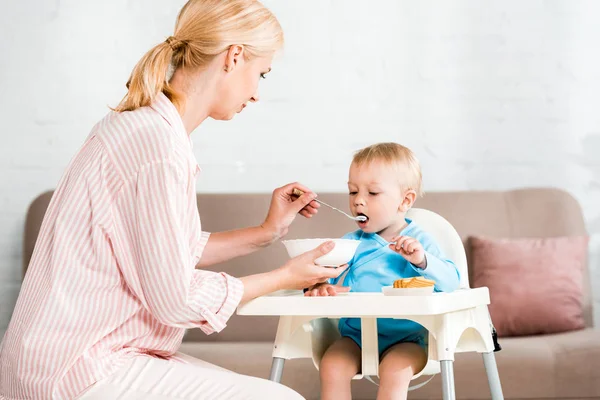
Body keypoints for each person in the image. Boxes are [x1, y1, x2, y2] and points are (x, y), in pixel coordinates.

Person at [0, 1, 347, 399]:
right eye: (261, 74)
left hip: (64, 360)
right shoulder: (156, 147)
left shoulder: (147, 129)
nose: (256, 95)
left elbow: (168, 252)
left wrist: (267, 233)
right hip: (77, 369)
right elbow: (175, 297)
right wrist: (284, 278)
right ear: (234, 57)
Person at [305, 142, 460, 400]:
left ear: (405, 200)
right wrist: (319, 286)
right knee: (332, 365)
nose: (358, 201)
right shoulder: (350, 244)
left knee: (395, 370)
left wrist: (422, 260)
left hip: (408, 340)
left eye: (373, 193)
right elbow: (319, 276)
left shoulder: (420, 242)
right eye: (353, 192)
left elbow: (451, 282)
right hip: (355, 337)